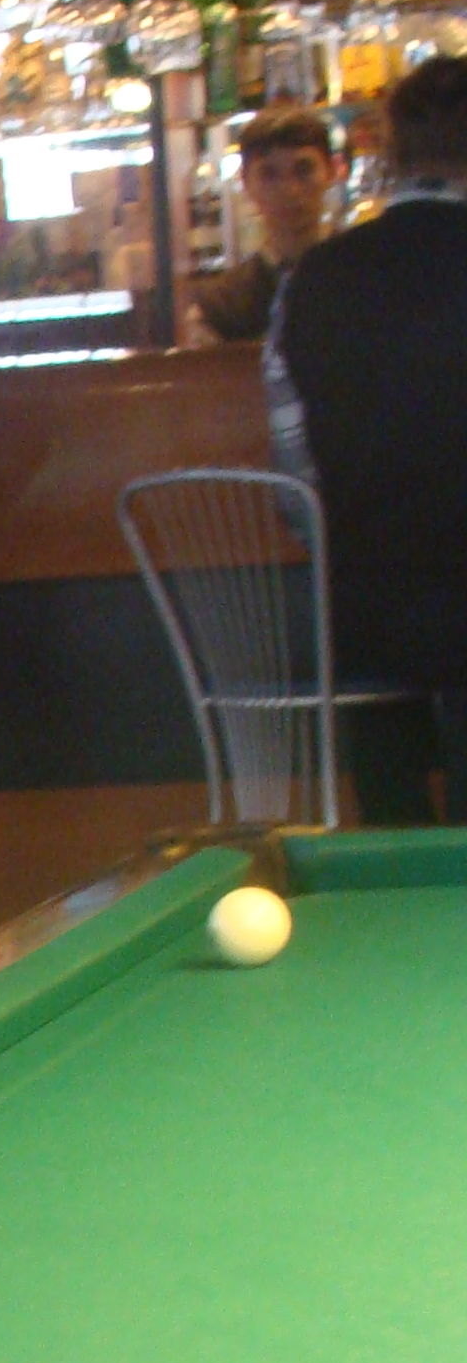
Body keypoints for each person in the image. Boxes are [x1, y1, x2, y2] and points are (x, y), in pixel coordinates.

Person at [266, 58, 467, 824]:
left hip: (366, 618)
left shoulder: (311, 281)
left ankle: (396, 863)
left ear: (390, 152)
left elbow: (296, 488)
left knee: (392, 806)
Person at [192, 108, 339, 344]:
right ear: (245, 182)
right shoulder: (221, 305)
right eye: (269, 174)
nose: (290, 190)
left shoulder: (369, 279)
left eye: (303, 170)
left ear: (332, 171)